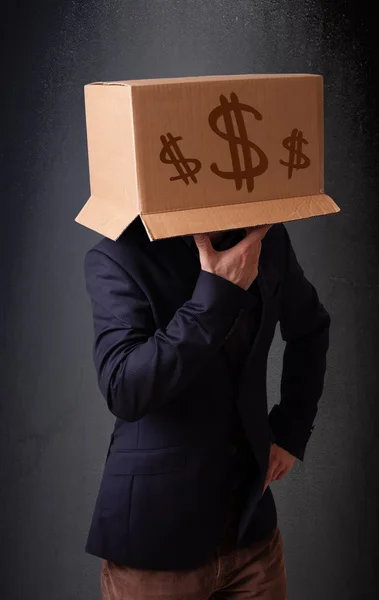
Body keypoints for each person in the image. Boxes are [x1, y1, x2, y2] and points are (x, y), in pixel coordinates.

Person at [83, 216, 330, 599]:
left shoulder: (266, 237)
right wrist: (214, 297)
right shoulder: (121, 253)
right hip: (156, 544)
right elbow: (124, 389)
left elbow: (310, 327)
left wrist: (290, 429)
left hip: (252, 536)